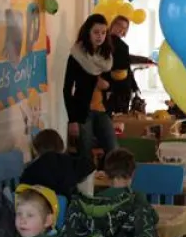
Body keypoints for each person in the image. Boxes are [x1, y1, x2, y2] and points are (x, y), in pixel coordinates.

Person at [64, 14, 118, 157]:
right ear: (88, 32)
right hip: (83, 112)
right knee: (85, 155)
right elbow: (67, 89)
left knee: (114, 150)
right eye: (96, 32)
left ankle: (114, 178)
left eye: (103, 32)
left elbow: (113, 84)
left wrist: (107, 86)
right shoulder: (76, 55)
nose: (100, 36)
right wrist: (72, 120)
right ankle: (86, 180)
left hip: (102, 109)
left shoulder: (107, 57)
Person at [20, 128, 95, 200]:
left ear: (36, 150)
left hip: (40, 208)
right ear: (61, 147)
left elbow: (22, 190)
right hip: (65, 207)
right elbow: (90, 165)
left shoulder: (30, 170)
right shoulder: (67, 162)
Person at [106, 15, 153, 116]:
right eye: (119, 25)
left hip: (123, 89)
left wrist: (134, 87)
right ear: (113, 24)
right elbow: (127, 60)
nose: (121, 29)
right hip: (111, 88)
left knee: (121, 120)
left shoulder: (122, 45)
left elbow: (127, 65)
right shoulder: (106, 42)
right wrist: (145, 60)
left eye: (124, 28)